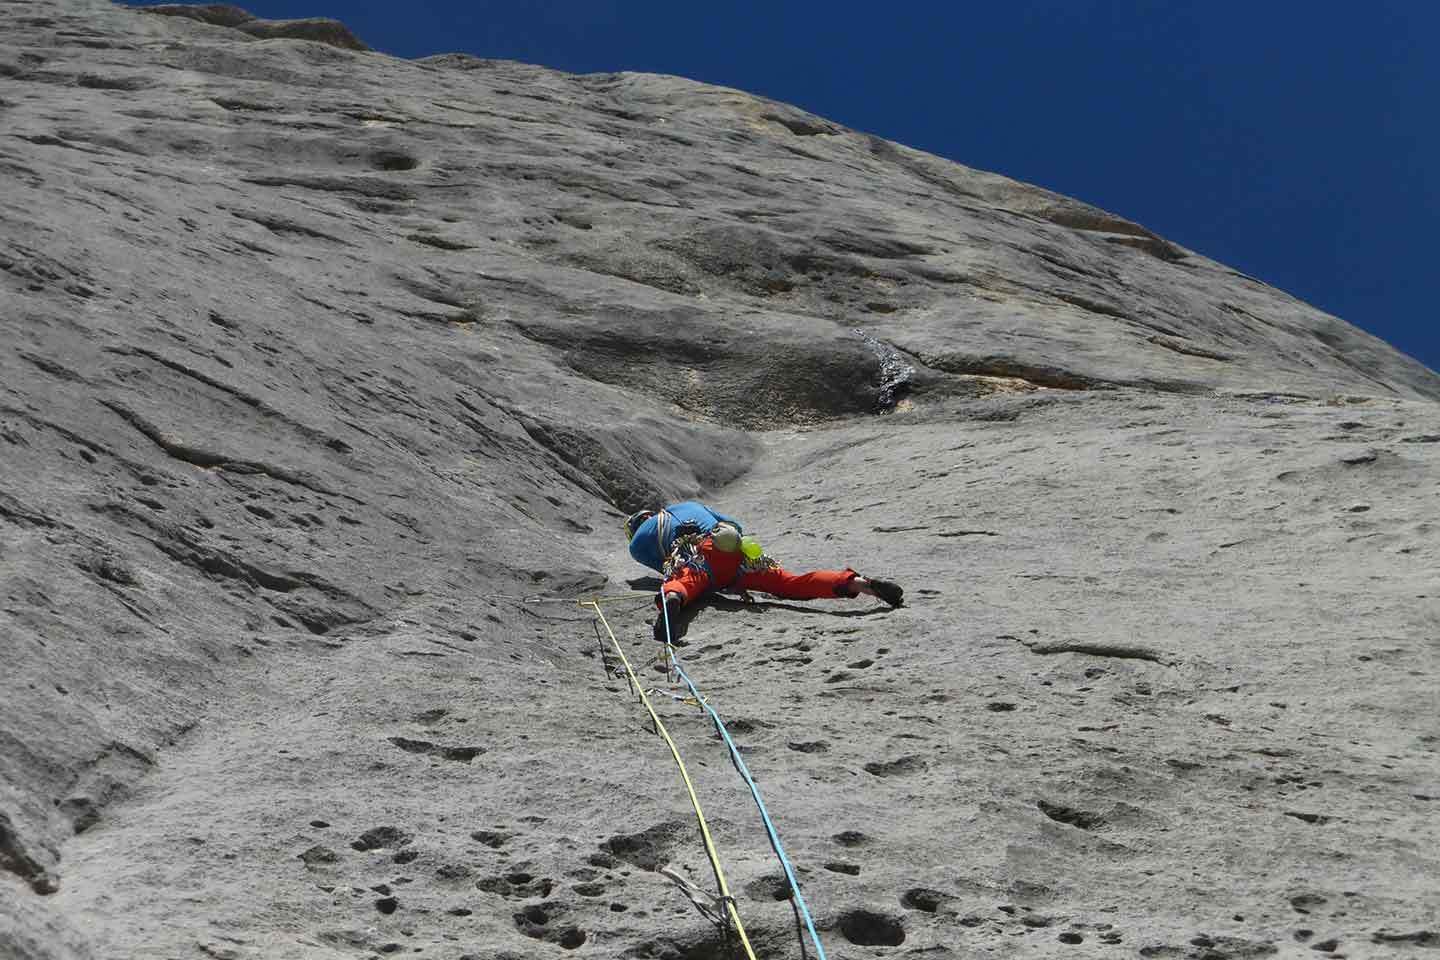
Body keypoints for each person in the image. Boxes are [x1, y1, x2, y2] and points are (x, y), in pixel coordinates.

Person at [625, 501, 903, 641]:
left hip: (699, 557)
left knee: (682, 581)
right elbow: (736, 525)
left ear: (637, 525)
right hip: (734, 550)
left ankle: (672, 600)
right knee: (790, 582)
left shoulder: (638, 543)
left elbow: (666, 566)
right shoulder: (690, 505)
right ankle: (857, 583)